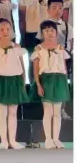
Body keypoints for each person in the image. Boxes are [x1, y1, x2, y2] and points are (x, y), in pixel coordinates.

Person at [0, 18, 29, 150]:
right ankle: (4, 141)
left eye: (8, 29)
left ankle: (13, 140)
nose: (5, 31)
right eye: (2, 29)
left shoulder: (17, 47)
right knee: (2, 112)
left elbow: (22, 67)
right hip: (0, 81)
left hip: (15, 81)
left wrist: (22, 83)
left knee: (13, 112)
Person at [31, 20, 71, 148]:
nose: (50, 33)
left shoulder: (61, 48)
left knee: (57, 112)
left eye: (52, 30)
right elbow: (35, 69)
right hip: (46, 80)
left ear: (56, 32)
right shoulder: (38, 49)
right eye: (46, 30)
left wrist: (65, 82)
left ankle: (56, 139)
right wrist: (38, 84)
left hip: (59, 79)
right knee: (48, 111)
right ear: (42, 33)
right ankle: (48, 139)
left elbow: (64, 67)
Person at [18, 0, 49, 64]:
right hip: (30, 35)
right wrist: (23, 36)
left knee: (47, 61)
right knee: (33, 62)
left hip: (47, 34)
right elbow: (21, 19)